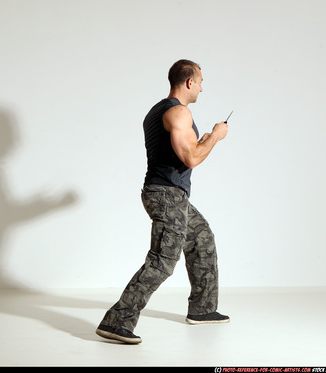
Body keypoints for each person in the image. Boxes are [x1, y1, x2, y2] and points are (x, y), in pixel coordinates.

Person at [96, 59, 229, 344]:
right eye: (201, 82)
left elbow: (185, 151)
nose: (202, 89)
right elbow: (192, 158)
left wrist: (202, 140)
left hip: (167, 193)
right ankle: (116, 320)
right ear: (190, 82)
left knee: (201, 238)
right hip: (168, 195)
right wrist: (216, 137)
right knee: (162, 262)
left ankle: (203, 309)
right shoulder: (179, 112)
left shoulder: (158, 110)